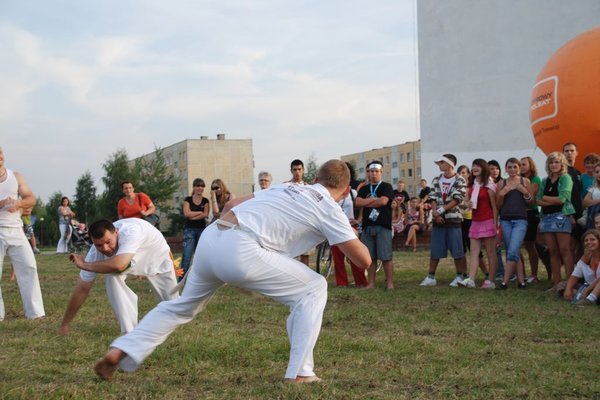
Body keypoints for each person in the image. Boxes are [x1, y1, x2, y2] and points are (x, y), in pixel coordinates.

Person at [93, 160, 371, 383]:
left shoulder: (287, 188)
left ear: (314, 179)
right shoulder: (330, 209)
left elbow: (230, 205)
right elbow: (364, 262)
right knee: (314, 288)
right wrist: (348, 233)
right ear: (346, 191)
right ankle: (300, 371)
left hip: (213, 237)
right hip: (241, 248)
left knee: (181, 307)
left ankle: (122, 349)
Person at [59, 218, 180, 335]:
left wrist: (84, 264)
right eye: (99, 245)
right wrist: (65, 324)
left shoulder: (131, 232)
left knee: (175, 309)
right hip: (125, 258)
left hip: (156, 254)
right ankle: (129, 331)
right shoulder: (94, 253)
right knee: (112, 274)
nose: (105, 248)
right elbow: (82, 289)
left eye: (108, 242)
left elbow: (119, 265)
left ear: (116, 232)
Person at [0, 146, 45, 321]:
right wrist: (3, 202)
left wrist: (19, 204)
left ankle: (35, 312)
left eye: (0, 153)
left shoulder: (16, 176)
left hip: (16, 230)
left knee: (29, 266)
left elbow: (31, 198)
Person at [420, 154, 468, 287]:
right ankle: (431, 277)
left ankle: (459, 276)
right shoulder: (436, 179)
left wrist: (440, 211)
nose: (439, 165)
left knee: (457, 250)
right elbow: (433, 197)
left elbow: (458, 199)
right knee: (435, 250)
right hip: (438, 220)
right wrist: (436, 214)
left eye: (442, 163)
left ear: (450, 164)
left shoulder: (460, 180)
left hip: (454, 220)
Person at [537, 152, 575, 291]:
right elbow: (538, 199)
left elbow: (562, 199)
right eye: (551, 162)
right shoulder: (544, 180)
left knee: (565, 249)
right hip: (546, 217)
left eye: (556, 162)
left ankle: (571, 283)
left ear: (562, 164)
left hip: (561, 216)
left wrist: (546, 198)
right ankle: (557, 283)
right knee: (552, 250)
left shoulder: (566, 178)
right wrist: (549, 200)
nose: (553, 165)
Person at [356, 160, 395, 289]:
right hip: (368, 226)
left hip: (383, 226)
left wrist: (367, 202)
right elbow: (358, 202)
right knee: (370, 257)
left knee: (386, 256)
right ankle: (371, 283)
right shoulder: (364, 188)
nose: (373, 174)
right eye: (371, 171)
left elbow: (383, 202)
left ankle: (390, 283)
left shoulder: (387, 186)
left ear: (381, 172)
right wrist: (374, 200)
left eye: (376, 171)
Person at [459, 159, 498, 289]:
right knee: (474, 252)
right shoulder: (471, 185)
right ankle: (471, 279)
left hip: (488, 221)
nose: (475, 168)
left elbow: (494, 207)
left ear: (484, 168)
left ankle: (491, 281)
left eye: (478, 166)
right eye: (473, 165)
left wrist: (496, 224)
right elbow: (464, 203)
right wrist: (467, 204)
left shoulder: (490, 185)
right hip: (475, 222)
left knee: (490, 252)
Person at [496, 158, 532, 289]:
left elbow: (531, 202)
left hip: (520, 220)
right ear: (505, 169)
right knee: (513, 251)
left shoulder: (525, 181)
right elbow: (498, 205)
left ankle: (505, 281)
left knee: (512, 251)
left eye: (515, 167)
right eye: (509, 167)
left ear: (519, 168)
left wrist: (525, 192)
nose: (512, 170)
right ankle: (521, 282)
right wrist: (502, 194)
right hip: (505, 220)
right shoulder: (502, 182)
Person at [331, 180, 368, 288]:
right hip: (336, 227)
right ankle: (342, 283)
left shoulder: (353, 193)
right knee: (338, 257)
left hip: (351, 226)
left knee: (355, 255)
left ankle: (360, 281)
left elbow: (361, 206)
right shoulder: (332, 193)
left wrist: (359, 219)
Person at [520, 156, 545, 283]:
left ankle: (534, 274)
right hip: (519, 214)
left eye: (524, 164)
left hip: (531, 214)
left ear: (530, 165)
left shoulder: (535, 179)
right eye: (520, 164)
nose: (521, 167)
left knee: (530, 244)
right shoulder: (517, 179)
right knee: (519, 245)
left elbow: (530, 198)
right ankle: (521, 273)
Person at [181, 178, 210, 279]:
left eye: (202, 186)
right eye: (198, 186)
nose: (200, 188)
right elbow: (186, 214)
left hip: (201, 230)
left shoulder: (205, 201)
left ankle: (199, 279)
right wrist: (199, 213)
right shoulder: (187, 200)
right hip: (189, 230)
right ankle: (181, 280)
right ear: (194, 187)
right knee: (186, 257)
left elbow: (206, 214)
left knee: (200, 257)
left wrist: (192, 215)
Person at [563, 229, 600, 303]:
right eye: (586, 240)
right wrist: (568, 289)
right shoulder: (585, 258)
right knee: (563, 285)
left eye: (592, 239)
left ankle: (589, 300)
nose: (589, 242)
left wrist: (587, 290)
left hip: (594, 289)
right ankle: (581, 296)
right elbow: (574, 276)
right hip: (590, 288)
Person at [286, 159, 310, 266]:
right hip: (289, 224)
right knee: (288, 254)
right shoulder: (285, 186)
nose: (297, 172)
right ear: (291, 171)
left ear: (303, 170)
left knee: (305, 253)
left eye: (299, 169)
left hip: (304, 224)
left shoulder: (308, 187)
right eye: (295, 170)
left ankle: (306, 278)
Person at [582, 162, 600, 230]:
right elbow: (585, 202)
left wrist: (593, 201)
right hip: (594, 219)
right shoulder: (593, 188)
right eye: (597, 172)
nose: (599, 174)